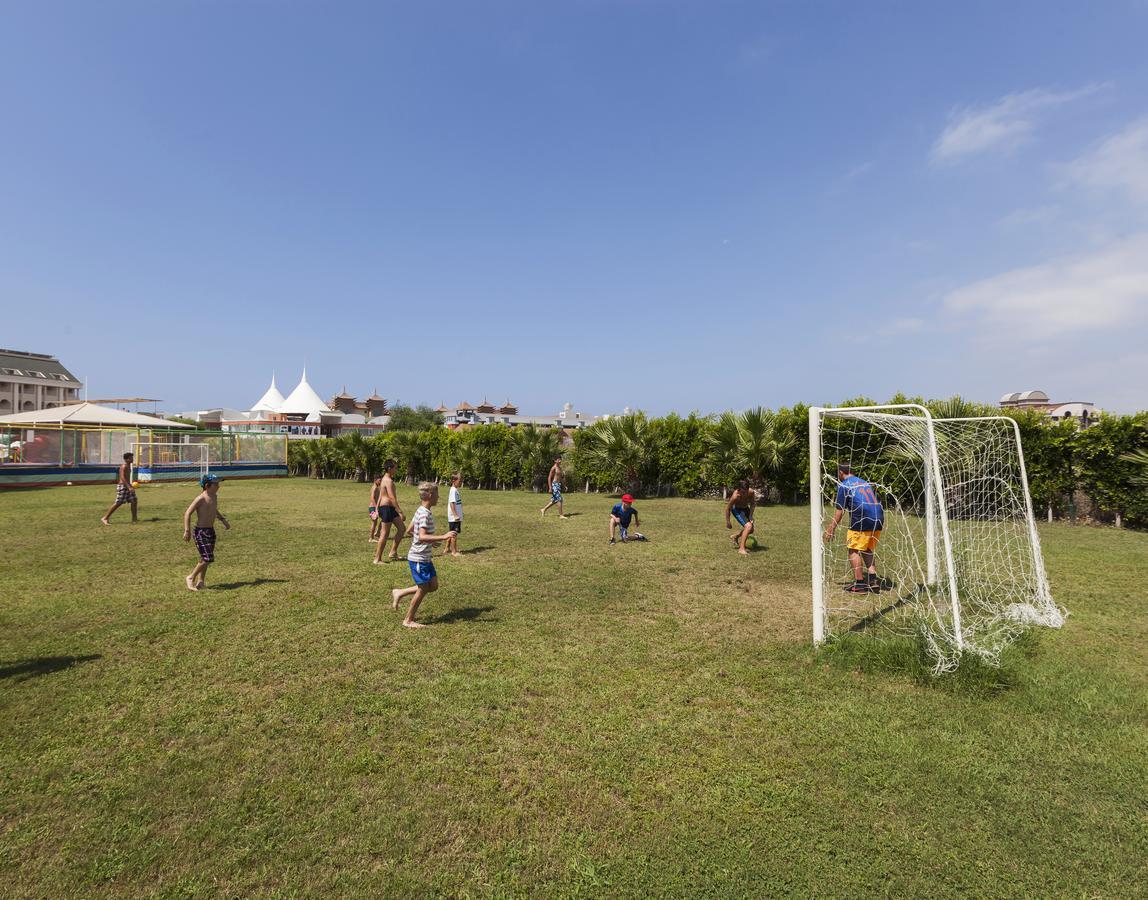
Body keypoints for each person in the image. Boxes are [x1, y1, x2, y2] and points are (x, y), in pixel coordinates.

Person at [390, 482, 454, 628]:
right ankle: (408, 620)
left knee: (433, 585)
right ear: (430, 496)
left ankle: (400, 592)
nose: (439, 497)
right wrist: (442, 537)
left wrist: (430, 542)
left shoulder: (420, 510)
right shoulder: (424, 514)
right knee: (423, 588)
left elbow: (410, 530)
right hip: (419, 558)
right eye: (437, 494)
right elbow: (422, 536)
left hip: (424, 557)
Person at [824, 462, 890, 593]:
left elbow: (840, 510)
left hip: (862, 519)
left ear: (841, 473)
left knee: (853, 549)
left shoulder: (844, 485)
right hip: (878, 518)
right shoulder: (864, 482)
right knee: (866, 548)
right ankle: (873, 580)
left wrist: (831, 528)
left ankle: (860, 584)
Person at [182, 473, 230, 591]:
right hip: (200, 532)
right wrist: (187, 530)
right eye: (216, 484)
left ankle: (201, 582)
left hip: (210, 531)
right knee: (208, 558)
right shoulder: (201, 498)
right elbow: (188, 513)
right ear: (207, 486)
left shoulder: (214, 496)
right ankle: (190, 577)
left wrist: (223, 520)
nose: (218, 486)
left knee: (204, 559)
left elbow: (214, 509)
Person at [372, 459, 408, 564]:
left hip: (389, 508)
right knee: (384, 533)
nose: (396, 470)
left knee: (402, 529)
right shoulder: (388, 481)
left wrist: (377, 508)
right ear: (389, 468)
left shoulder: (385, 479)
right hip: (387, 508)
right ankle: (377, 559)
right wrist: (400, 511)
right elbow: (391, 497)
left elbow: (382, 495)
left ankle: (393, 552)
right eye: (395, 468)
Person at [101, 452, 138, 525]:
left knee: (134, 501)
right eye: (131, 458)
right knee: (119, 502)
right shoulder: (124, 466)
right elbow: (122, 477)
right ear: (126, 459)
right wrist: (129, 487)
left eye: (132, 457)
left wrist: (130, 486)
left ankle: (134, 519)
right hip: (123, 486)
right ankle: (105, 518)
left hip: (128, 486)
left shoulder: (128, 466)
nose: (132, 459)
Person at [725, 481, 756, 555]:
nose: (744, 494)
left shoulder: (751, 492)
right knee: (748, 527)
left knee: (751, 530)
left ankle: (735, 536)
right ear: (738, 490)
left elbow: (752, 504)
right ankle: (741, 549)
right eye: (742, 492)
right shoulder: (735, 496)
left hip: (745, 509)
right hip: (737, 510)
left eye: (745, 492)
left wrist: (751, 515)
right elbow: (728, 509)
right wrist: (728, 522)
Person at [444, 472, 462, 557]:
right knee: (454, 533)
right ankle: (454, 552)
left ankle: (447, 548)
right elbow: (452, 503)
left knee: (451, 532)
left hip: (455, 517)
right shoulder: (453, 490)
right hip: (454, 517)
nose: (461, 482)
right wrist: (455, 515)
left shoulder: (455, 490)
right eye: (459, 480)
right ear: (454, 480)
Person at [368, 476, 384, 542]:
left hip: (377, 507)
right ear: (375, 480)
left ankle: (377, 533)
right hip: (373, 507)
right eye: (379, 480)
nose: (381, 482)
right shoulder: (374, 488)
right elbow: (372, 498)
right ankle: (371, 538)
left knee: (385, 518)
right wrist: (376, 508)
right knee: (374, 522)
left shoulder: (377, 487)